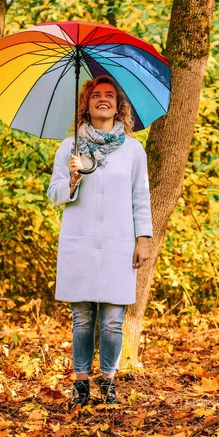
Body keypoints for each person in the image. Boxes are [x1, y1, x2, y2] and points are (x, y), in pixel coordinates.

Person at [47, 75, 153, 406]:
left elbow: (141, 196)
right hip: (80, 243)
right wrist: (73, 181)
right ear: (87, 104)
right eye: (96, 95)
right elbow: (54, 194)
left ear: (119, 106)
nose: (102, 99)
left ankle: (108, 381)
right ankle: (80, 384)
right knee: (82, 318)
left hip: (119, 243)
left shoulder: (133, 150)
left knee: (112, 320)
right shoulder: (70, 147)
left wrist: (143, 238)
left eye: (109, 95)